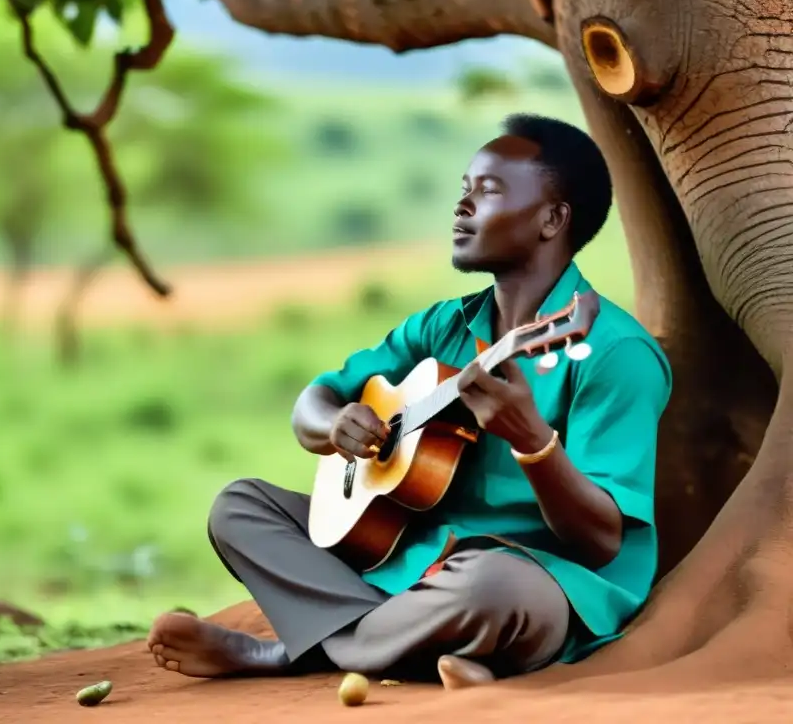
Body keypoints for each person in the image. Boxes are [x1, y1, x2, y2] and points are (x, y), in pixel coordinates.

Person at [146, 113, 672, 689]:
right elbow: (315, 401)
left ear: (552, 219)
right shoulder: (444, 326)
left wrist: (532, 442)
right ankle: (429, 654)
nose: (462, 207)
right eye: (464, 190)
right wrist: (334, 424)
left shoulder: (615, 353)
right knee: (240, 507)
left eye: (488, 191)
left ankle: (284, 655)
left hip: (535, 574)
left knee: (491, 590)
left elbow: (600, 540)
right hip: (404, 556)